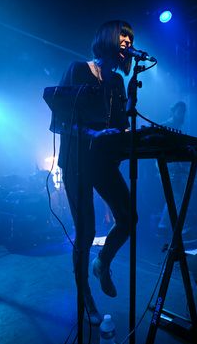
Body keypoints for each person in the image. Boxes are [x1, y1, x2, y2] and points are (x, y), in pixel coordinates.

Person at [49, 20, 135, 325]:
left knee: (129, 218)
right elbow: (59, 121)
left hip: (103, 161)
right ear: (108, 38)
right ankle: (84, 294)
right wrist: (91, 134)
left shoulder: (117, 83)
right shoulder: (77, 69)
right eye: (122, 35)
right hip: (76, 161)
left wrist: (127, 132)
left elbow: (122, 122)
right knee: (85, 231)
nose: (127, 40)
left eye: (130, 37)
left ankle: (103, 262)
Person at [157, 101, 189, 235]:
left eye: (183, 112)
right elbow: (158, 149)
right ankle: (168, 225)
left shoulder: (179, 128)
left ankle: (165, 226)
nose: (182, 114)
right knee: (176, 196)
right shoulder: (166, 126)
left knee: (176, 196)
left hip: (175, 168)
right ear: (174, 111)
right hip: (167, 168)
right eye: (180, 111)